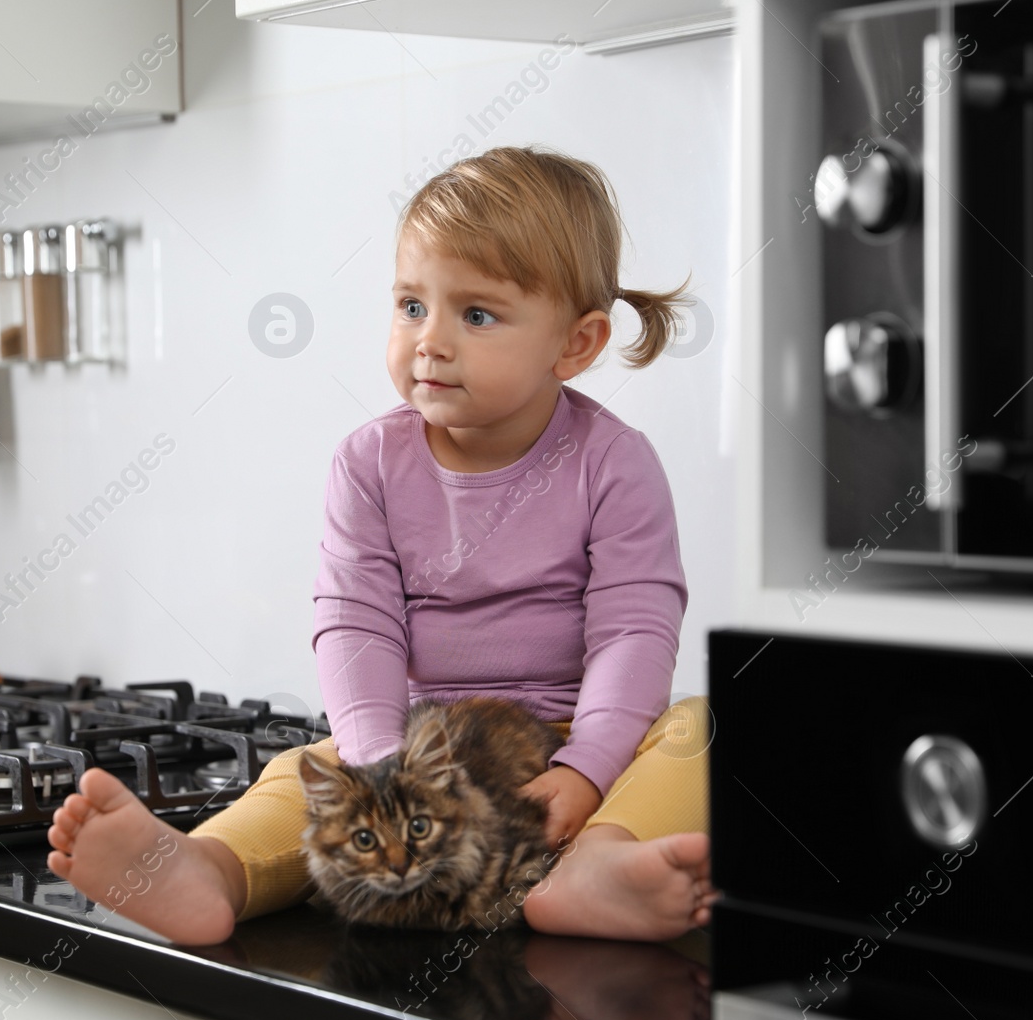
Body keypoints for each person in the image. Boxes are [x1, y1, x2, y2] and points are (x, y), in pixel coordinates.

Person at [48, 145, 715, 946]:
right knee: (301, 774)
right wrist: (379, 771)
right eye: (410, 305)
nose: (429, 340)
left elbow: (635, 630)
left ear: (575, 344)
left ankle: (593, 868)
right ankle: (208, 870)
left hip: (573, 742)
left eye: (476, 314)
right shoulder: (369, 462)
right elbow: (357, 625)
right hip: (417, 751)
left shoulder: (614, 461)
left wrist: (587, 768)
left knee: (698, 731)